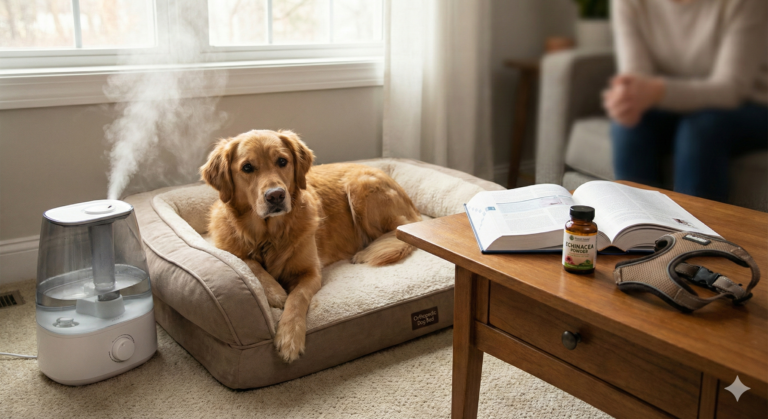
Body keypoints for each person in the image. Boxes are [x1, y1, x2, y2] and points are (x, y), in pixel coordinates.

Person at [604, 0, 767, 202]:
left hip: (753, 103)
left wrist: (656, 91)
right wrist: (628, 98)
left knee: (701, 129)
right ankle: (635, 225)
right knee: (629, 124)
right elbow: (636, 79)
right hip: (674, 102)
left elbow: (730, 90)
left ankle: (695, 233)